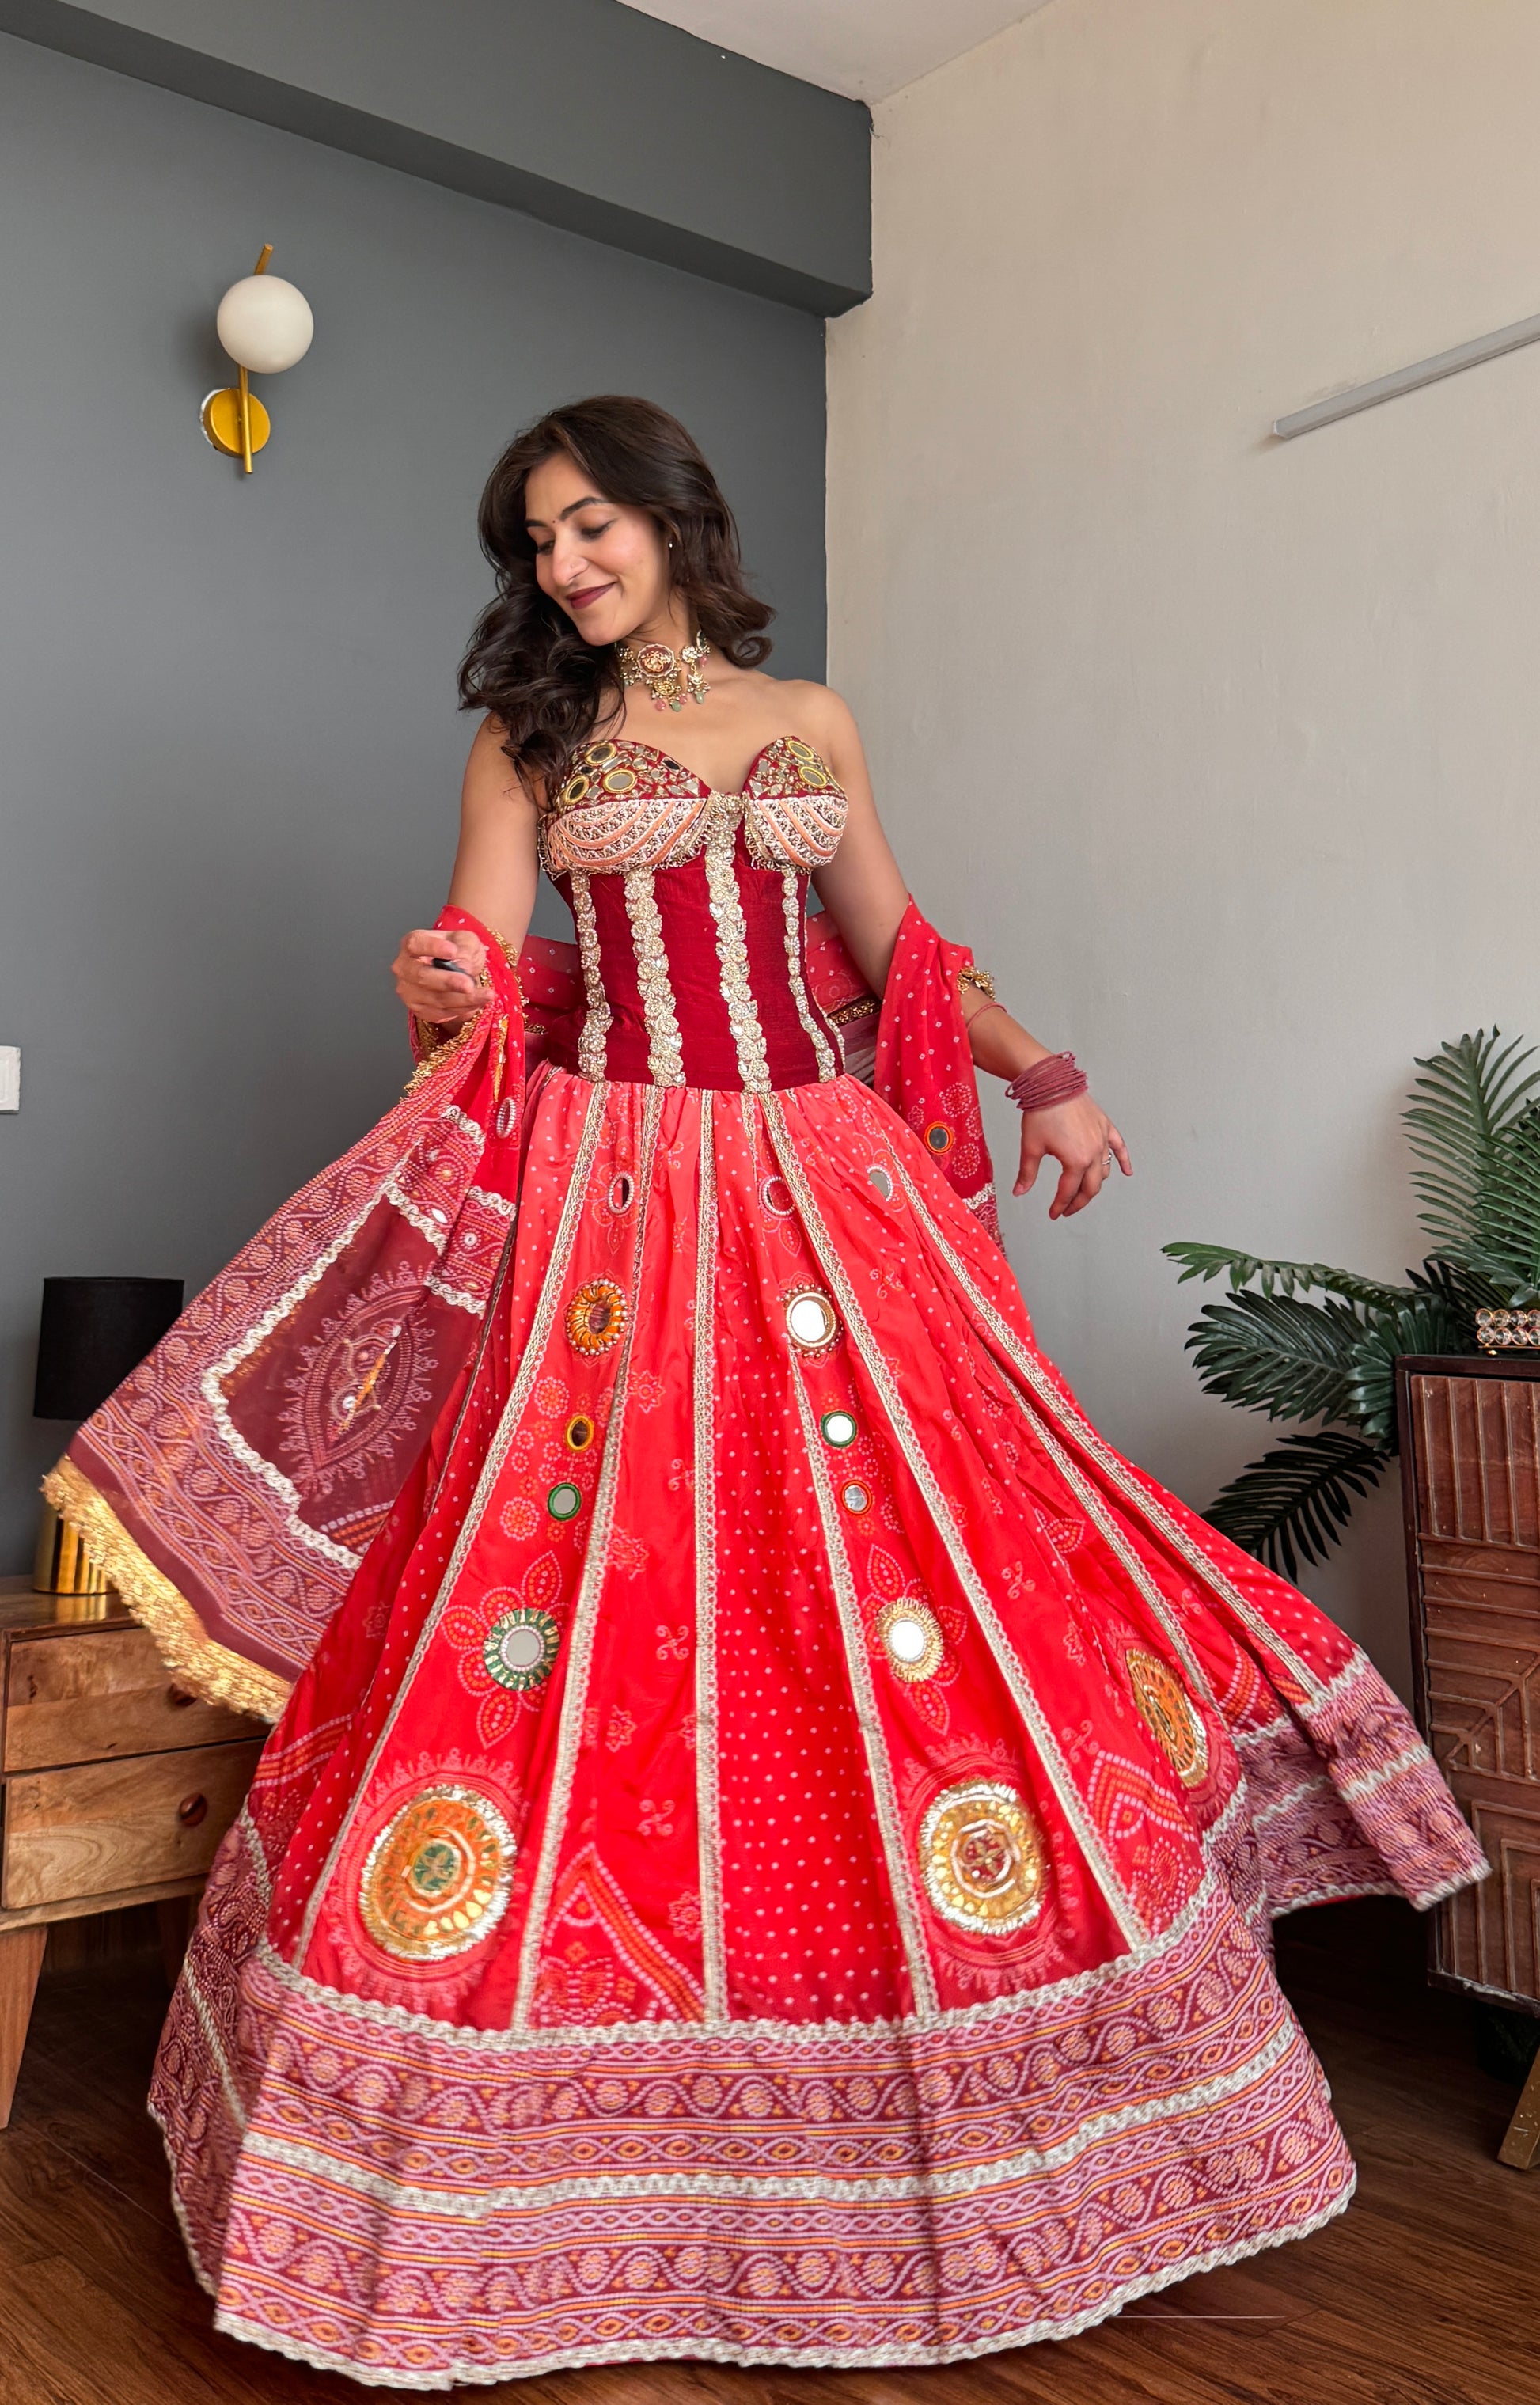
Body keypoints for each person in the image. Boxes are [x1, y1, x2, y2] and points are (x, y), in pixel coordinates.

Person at [54, 396, 1483, 2386]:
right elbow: (476, 938)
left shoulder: (812, 716)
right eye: (534, 539)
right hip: (623, 1194)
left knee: (924, 1584)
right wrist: (444, 977)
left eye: (589, 522)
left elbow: (891, 944)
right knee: (604, 1605)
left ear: (671, 517)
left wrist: (1046, 1074)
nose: (563, 563)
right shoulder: (529, 738)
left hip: (832, 1185)